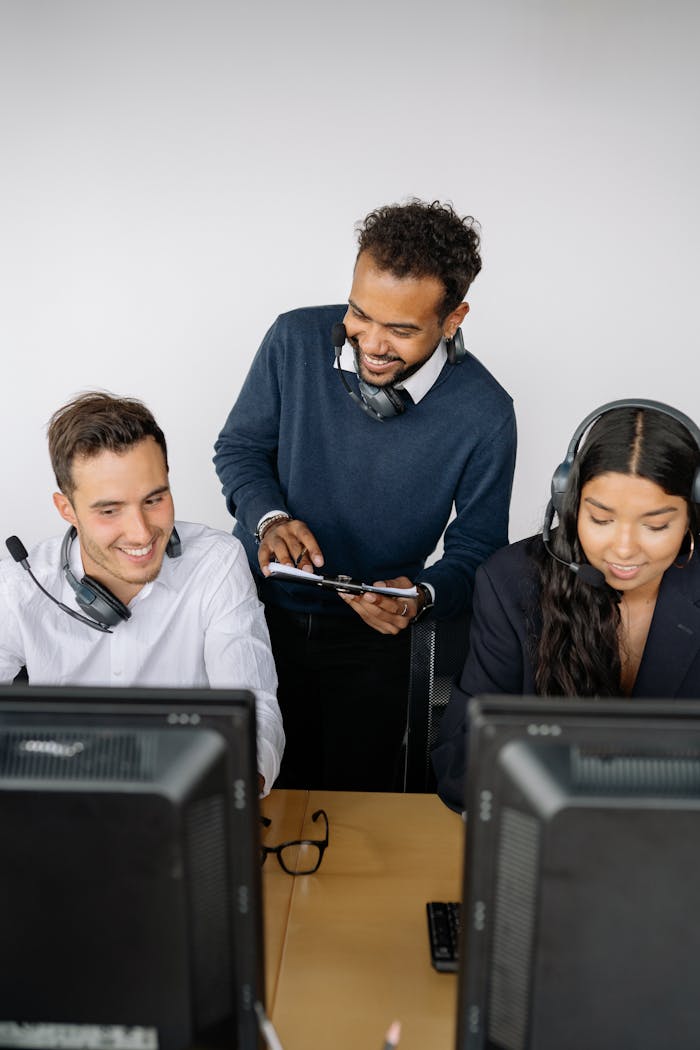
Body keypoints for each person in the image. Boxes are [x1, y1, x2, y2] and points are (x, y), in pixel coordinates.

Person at [213, 199, 517, 790]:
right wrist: (268, 518)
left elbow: (479, 546)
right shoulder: (292, 338)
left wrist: (424, 595)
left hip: (375, 646)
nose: (372, 343)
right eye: (360, 315)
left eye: (401, 330)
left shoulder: (487, 411)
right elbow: (239, 450)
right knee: (247, 796)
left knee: (356, 809)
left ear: (454, 319)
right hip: (252, 618)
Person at [0, 392, 284, 793]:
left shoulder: (216, 562)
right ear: (67, 510)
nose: (141, 532)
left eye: (154, 499)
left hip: (190, 804)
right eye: (109, 510)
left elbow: (255, 706)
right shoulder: (18, 586)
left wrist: (238, 787)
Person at [433, 400, 700, 811]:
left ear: (691, 518)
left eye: (656, 525)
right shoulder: (510, 584)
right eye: (601, 519)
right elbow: (459, 763)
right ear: (570, 505)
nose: (624, 549)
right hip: (548, 835)